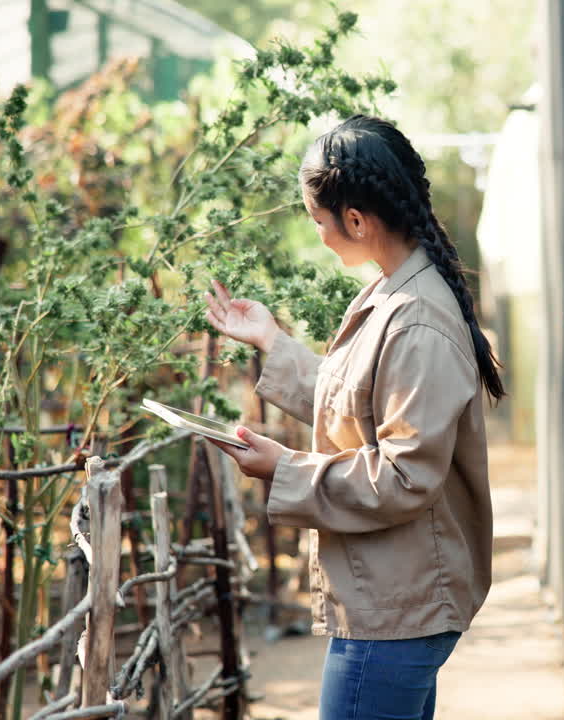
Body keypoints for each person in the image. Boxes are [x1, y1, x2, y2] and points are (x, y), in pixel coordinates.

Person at [203, 114, 504, 720]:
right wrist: (272, 342)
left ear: (358, 220)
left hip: (398, 603)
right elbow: (364, 406)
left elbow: (403, 477)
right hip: (391, 593)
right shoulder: (395, 289)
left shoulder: (417, 317)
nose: (319, 234)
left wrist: (285, 469)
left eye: (319, 221)